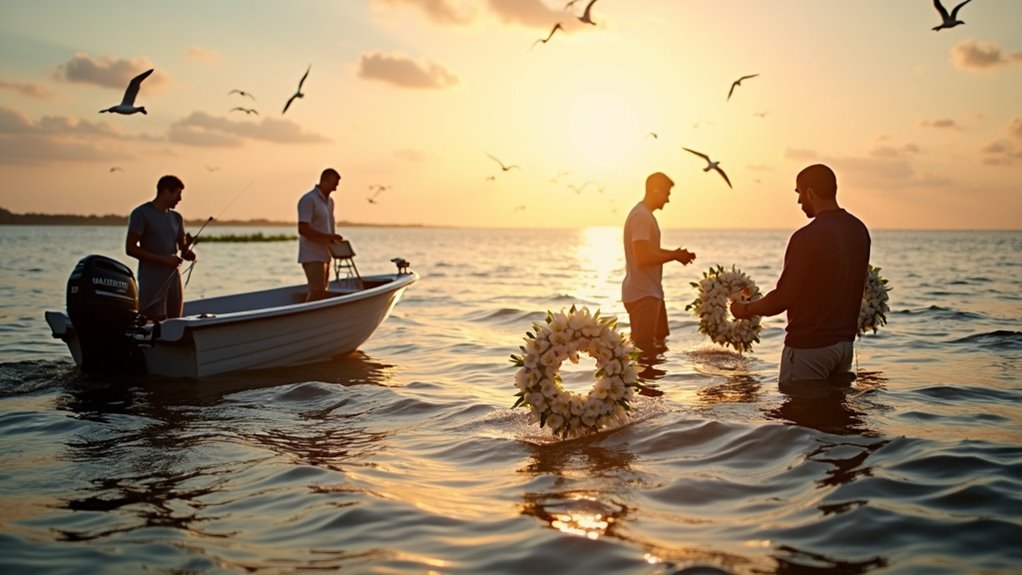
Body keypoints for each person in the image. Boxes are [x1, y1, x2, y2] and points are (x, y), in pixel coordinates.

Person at [730, 164, 871, 384]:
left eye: (799, 194)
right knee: (833, 415)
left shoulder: (806, 237)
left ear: (810, 193)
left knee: (797, 413)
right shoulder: (859, 230)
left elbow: (782, 299)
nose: (798, 202)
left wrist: (744, 309)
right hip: (844, 347)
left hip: (809, 348)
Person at [621, 171, 697, 354]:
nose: (668, 200)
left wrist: (677, 254)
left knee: (659, 349)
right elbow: (642, 257)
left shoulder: (645, 215)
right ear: (656, 191)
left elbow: (649, 251)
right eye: (667, 194)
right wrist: (674, 256)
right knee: (645, 352)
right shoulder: (641, 216)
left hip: (652, 292)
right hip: (643, 295)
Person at [125, 174, 196, 321]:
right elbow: (130, 248)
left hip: (173, 282)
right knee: (153, 323)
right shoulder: (141, 213)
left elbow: (183, 250)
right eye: (178, 194)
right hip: (152, 281)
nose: (180, 199)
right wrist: (164, 260)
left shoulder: (177, 218)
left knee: (175, 322)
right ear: (165, 191)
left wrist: (189, 253)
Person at [297, 168, 344, 301]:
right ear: (325, 181)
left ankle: (314, 319)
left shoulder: (330, 202)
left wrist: (334, 241)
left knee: (322, 292)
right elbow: (303, 229)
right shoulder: (309, 199)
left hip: (325, 255)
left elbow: (327, 227)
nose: (336, 188)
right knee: (317, 291)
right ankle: (305, 319)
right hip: (311, 255)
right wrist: (329, 237)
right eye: (335, 184)